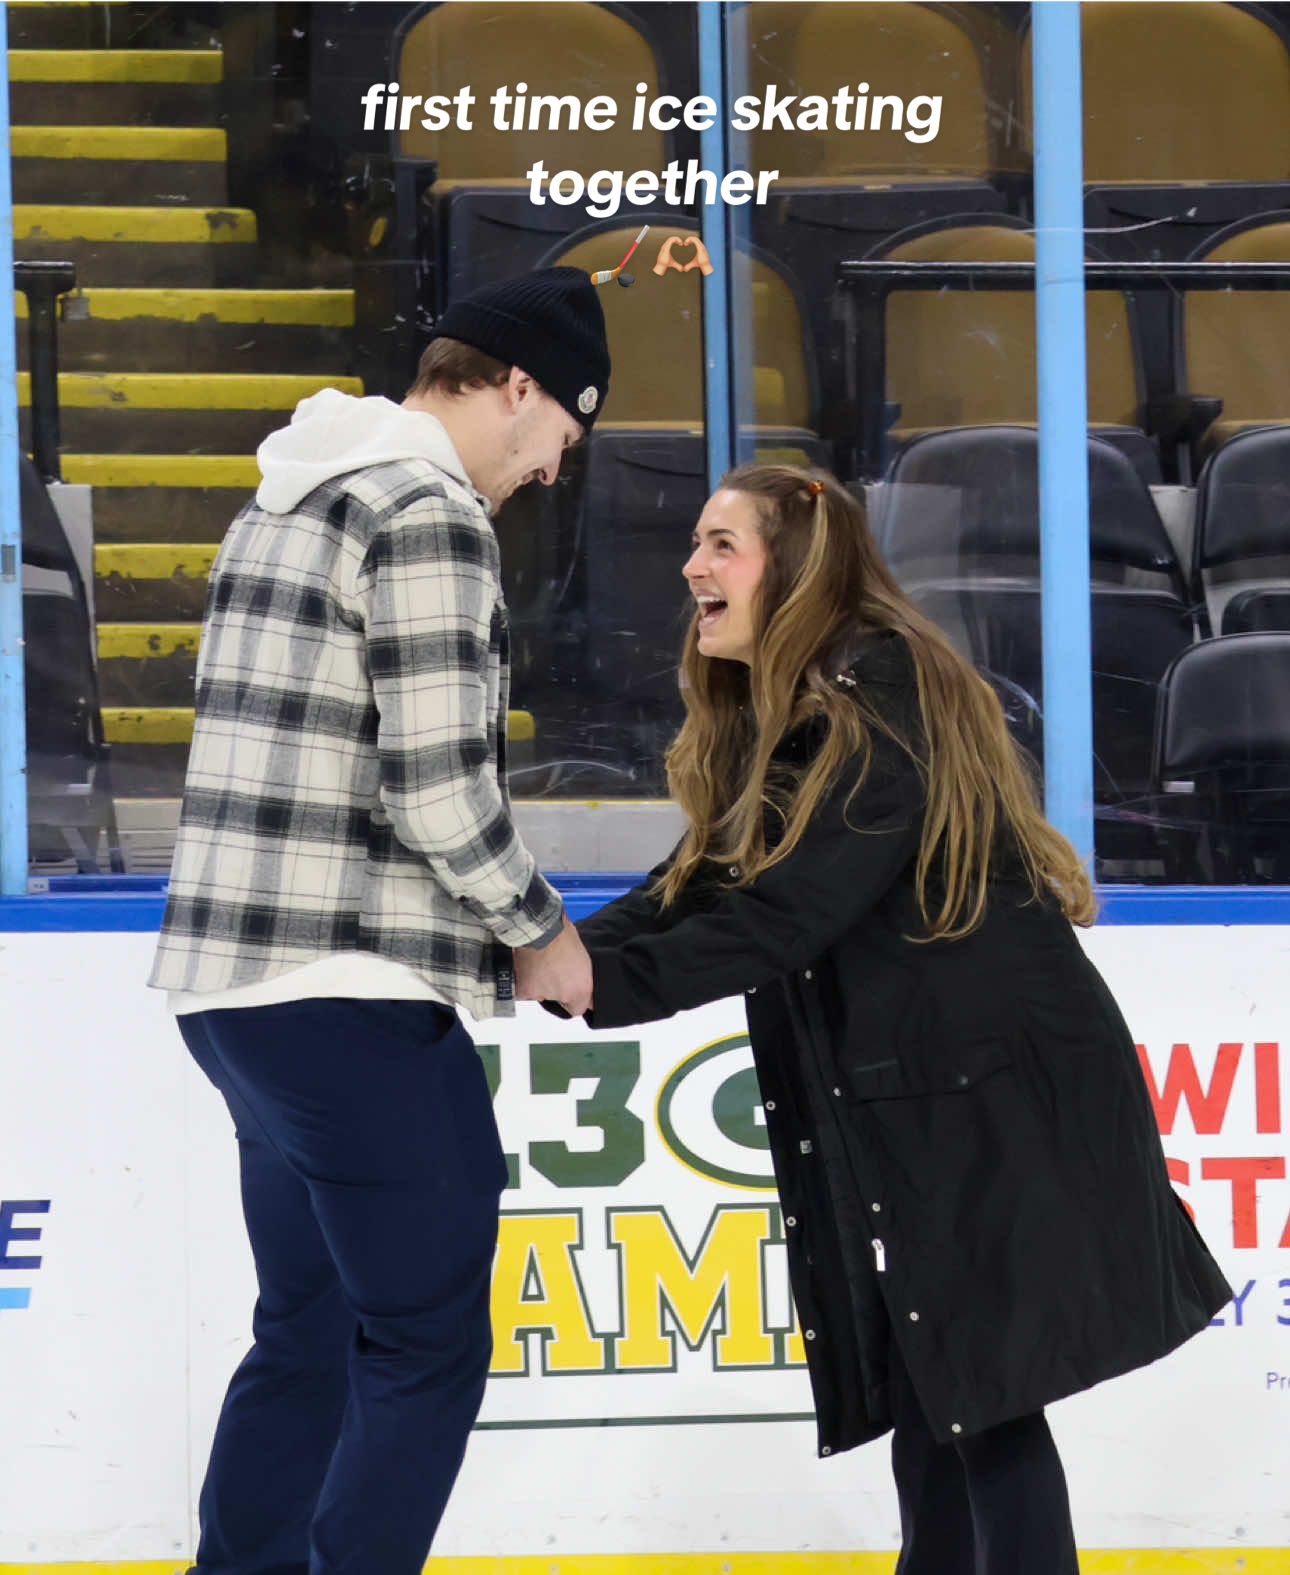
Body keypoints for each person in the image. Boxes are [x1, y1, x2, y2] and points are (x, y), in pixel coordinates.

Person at [523, 464, 1232, 1575]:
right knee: (934, 1394)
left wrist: (597, 985)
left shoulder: (878, 691)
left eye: (723, 545)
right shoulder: (795, 707)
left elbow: (785, 915)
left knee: (983, 1402)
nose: (691, 565)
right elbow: (693, 884)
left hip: (1002, 1089)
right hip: (931, 1088)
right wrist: (549, 952)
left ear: (796, 566)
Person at [148, 266, 608, 1575]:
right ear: (516, 387)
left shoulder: (283, 499)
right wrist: (538, 925)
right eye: (561, 437)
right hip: (348, 991)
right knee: (421, 1341)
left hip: (233, 995)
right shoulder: (427, 510)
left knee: (310, 1321)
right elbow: (439, 783)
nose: (552, 474)